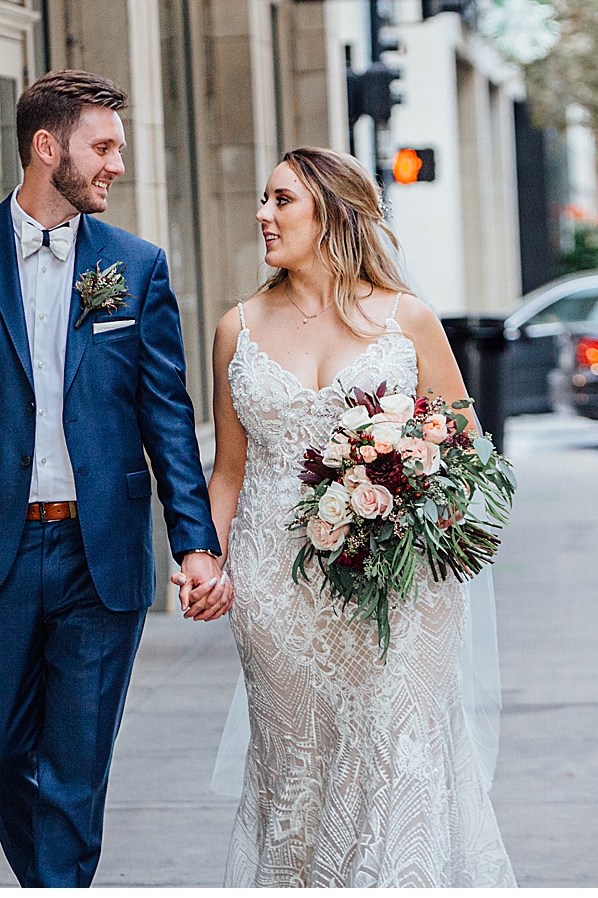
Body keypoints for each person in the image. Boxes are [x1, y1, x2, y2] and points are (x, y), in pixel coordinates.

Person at [0, 69, 230, 888]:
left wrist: (195, 542)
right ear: (48, 148)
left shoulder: (136, 267)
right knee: (1, 746)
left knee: (76, 769)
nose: (117, 163)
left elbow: (167, 419)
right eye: (103, 146)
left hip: (98, 554)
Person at [205, 147, 515, 886]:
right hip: (277, 592)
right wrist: (205, 559)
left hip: (398, 583)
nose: (263, 215)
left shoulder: (407, 319)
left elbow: (466, 444)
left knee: (395, 757)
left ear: (332, 213)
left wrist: (409, 492)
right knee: (297, 774)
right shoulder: (235, 329)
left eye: (281, 201)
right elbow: (229, 469)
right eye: (264, 199)